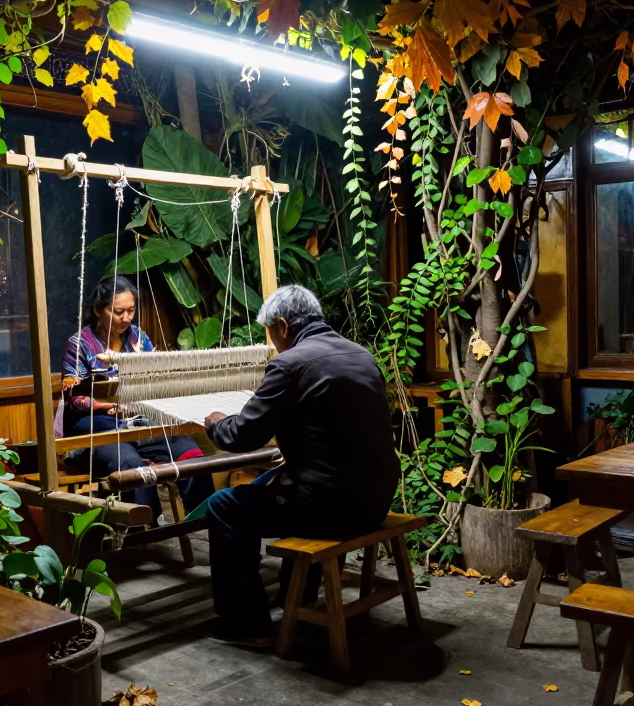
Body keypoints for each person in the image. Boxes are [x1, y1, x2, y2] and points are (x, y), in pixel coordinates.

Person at [201, 284, 399, 646]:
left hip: (333, 509)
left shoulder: (289, 364)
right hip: (376, 498)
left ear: (283, 326)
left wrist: (216, 422)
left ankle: (248, 624)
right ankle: (299, 597)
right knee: (281, 483)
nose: (273, 343)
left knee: (224, 506)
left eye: (271, 334)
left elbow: (243, 436)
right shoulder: (360, 355)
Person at [59, 276, 212, 514]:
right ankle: (141, 524)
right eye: (119, 312)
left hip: (139, 422)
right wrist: (105, 406)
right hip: (99, 428)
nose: (127, 318)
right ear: (99, 310)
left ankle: (203, 516)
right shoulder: (80, 345)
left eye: (131, 310)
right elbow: (73, 398)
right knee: (130, 465)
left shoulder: (138, 338)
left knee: (190, 452)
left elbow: (153, 380)